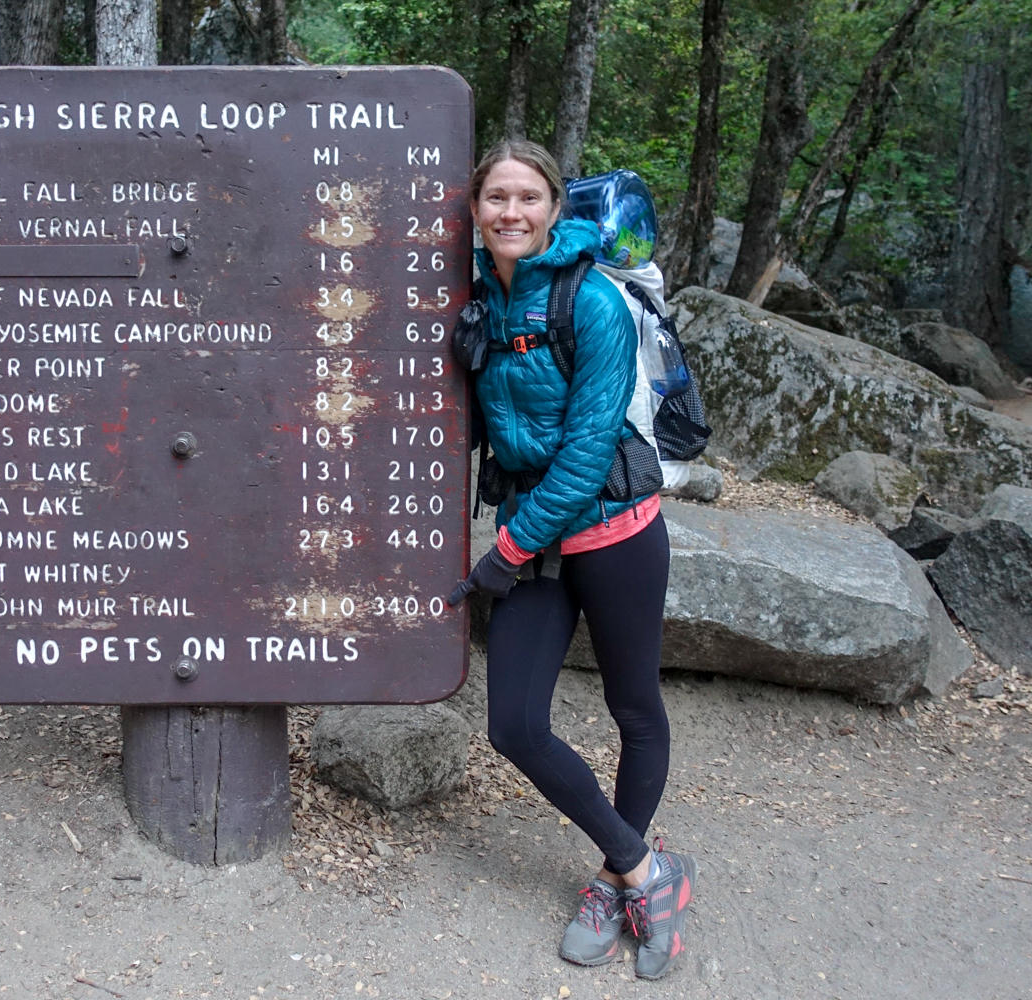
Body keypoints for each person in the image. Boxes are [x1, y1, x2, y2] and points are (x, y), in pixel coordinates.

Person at [447, 139, 695, 981]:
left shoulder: (592, 302)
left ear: (555, 209)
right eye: (495, 198)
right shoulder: (473, 295)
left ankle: (606, 879)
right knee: (513, 725)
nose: (510, 213)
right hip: (534, 537)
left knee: (634, 708)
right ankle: (643, 870)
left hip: (615, 533)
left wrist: (503, 553)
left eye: (527, 198)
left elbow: (589, 452)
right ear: (474, 210)